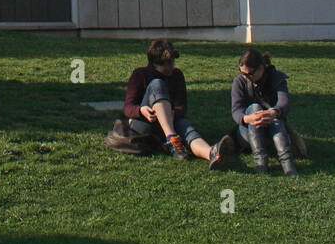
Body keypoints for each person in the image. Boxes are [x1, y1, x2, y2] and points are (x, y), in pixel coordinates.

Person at [124, 37, 234, 169]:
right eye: (167, 64)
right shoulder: (140, 74)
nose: (172, 67)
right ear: (154, 64)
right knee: (157, 84)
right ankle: (172, 140)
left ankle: (211, 153)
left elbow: (181, 106)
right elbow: (128, 107)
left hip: (171, 120)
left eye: (172, 62)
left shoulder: (177, 75)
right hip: (146, 124)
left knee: (186, 126)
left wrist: (172, 113)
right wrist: (141, 111)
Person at [231, 48, 298, 176]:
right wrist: (248, 118)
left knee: (276, 119)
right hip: (247, 131)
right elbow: (236, 111)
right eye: (242, 73)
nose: (246, 77)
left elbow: (284, 103)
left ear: (261, 68)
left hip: (273, 129)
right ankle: (261, 162)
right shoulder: (239, 82)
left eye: (250, 74)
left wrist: (272, 113)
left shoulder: (276, 77)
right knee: (255, 108)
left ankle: (287, 163)